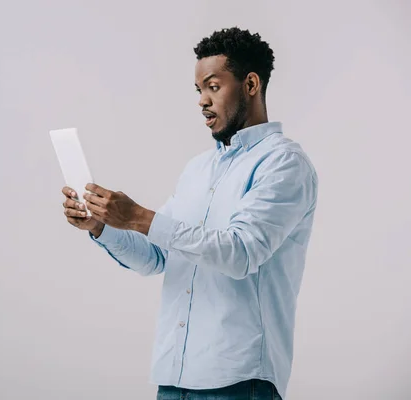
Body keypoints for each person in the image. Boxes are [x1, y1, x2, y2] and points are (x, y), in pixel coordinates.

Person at [61, 27, 318, 400]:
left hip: (239, 381)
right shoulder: (197, 170)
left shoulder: (283, 163)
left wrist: (138, 217)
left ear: (250, 84)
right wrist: (101, 226)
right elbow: (156, 256)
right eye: (199, 90)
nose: (202, 100)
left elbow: (241, 252)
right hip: (174, 377)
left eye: (213, 86)